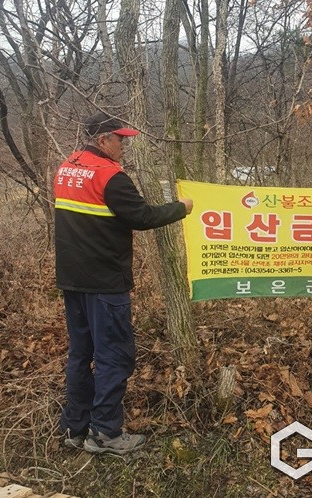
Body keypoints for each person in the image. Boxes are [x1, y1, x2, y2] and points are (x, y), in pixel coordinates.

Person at [54, 111, 193, 455]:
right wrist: (181, 207)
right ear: (103, 140)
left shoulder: (67, 168)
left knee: (80, 354)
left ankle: (74, 427)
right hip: (105, 282)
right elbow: (143, 217)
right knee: (114, 356)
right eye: (120, 139)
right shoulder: (111, 177)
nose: (124, 146)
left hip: (72, 280)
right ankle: (105, 433)